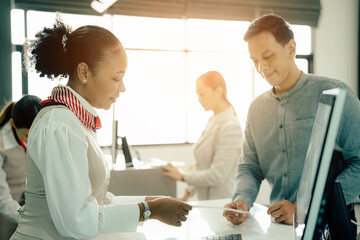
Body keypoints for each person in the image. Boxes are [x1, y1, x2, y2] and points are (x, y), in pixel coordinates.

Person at [10, 16, 191, 240]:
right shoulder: (60, 124)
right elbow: (77, 220)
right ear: (84, 73)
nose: (122, 88)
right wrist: (148, 211)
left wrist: (148, 202)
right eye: (116, 78)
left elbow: (97, 202)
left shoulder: (73, 120)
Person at [223, 13, 360, 225]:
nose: (262, 68)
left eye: (267, 56)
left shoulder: (335, 93)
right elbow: (250, 167)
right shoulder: (256, 109)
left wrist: (306, 209)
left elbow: (358, 163)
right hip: (278, 228)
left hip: (329, 226)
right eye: (255, 60)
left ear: (291, 49)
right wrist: (242, 199)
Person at [162, 71, 243, 201]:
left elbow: (218, 175)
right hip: (206, 201)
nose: (199, 99)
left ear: (218, 91)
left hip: (221, 201)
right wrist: (186, 195)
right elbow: (200, 166)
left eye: (202, 93)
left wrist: (183, 176)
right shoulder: (212, 121)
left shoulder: (230, 126)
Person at [0, 95, 41, 240]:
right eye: (27, 135)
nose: (32, 140)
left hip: (30, 207)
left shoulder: (39, 135)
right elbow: (2, 197)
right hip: (7, 212)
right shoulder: (1, 145)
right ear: (12, 123)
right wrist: (24, 218)